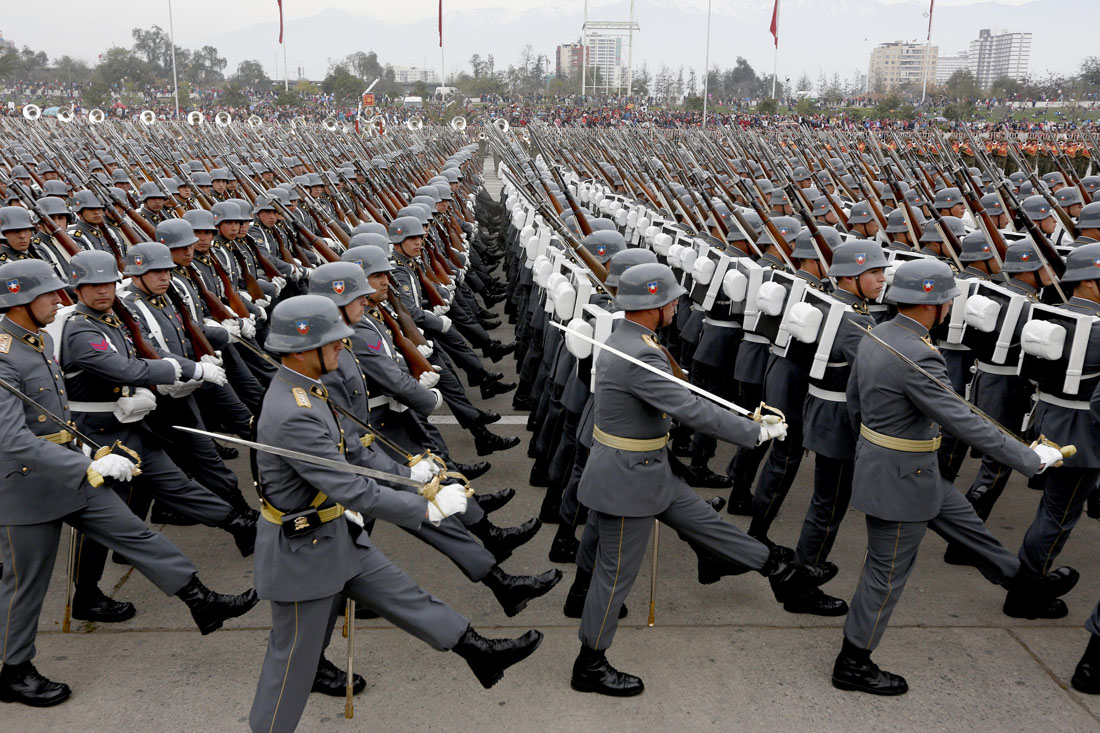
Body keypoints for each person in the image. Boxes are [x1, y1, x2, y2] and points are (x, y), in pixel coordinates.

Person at [248, 295, 543, 733]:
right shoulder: (293, 412)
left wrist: (415, 476)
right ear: (299, 349)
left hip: (334, 533)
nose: (340, 348)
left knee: (407, 595)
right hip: (302, 553)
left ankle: (476, 649)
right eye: (331, 342)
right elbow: (350, 487)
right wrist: (427, 506)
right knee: (291, 666)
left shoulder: (312, 390)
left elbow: (355, 454)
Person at [0, 259, 258, 707]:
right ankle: (13, 670)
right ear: (21, 300)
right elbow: (13, 440)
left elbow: (56, 415)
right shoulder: (5, 356)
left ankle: (200, 599)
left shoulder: (37, 338)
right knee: (25, 586)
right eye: (49, 295)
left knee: (135, 533)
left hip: (73, 467)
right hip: (25, 488)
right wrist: (85, 466)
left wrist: (88, 451)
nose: (60, 301)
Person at [833, 258, 1077, 696]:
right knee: (885, 574)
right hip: (902, 476)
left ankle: (1025, 586)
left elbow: (855, 405)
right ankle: (853, 662)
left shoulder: (879, 334)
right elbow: (964, 420)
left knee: (969, 527)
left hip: (906, 468)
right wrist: (1029, 458)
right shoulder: (918, 352)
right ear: (937, 305)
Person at [570, 262, 812, 697]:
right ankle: (590, 663)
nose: (678, 304)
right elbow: (689, 408)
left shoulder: (631, 339)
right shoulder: (640, 353)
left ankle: (780, 573)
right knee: (615, 575)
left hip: (647, 471)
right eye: (672, 300)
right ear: (654, 305)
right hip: (629, 480)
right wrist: (751, 431)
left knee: (707, 523)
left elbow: (683, 397)